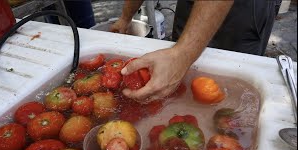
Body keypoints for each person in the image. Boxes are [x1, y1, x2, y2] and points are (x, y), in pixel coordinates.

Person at [110, 0, 280, 102]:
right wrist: (126, 17)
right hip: (191, 4)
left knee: (234, 89)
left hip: (244, 8)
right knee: (178, 75)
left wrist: (182, 54)